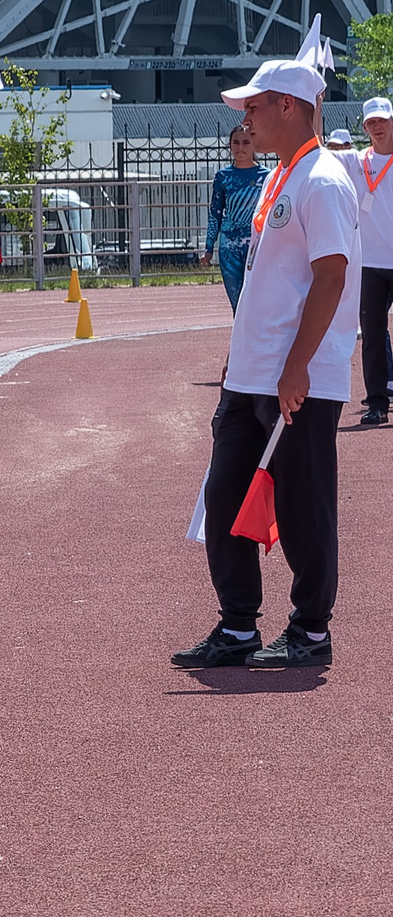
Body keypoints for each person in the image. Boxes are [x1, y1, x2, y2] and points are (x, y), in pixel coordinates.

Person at [173, 57, 358, 671]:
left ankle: (309, 630)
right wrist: (239, 358)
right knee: (224, 498)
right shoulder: (283, 176)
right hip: (251, 373)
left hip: (296, 378)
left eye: (254, 105)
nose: (245, 117)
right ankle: (238, 627)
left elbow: (330, 276)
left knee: (303, 504)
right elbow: (265, 281)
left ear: (288, 106)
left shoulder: (323, 179)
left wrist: (297, 366)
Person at [201, 121, 267, 309]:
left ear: (254, 143)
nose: (240, 148)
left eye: (246, 142)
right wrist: (208, 247)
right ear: (230, 146)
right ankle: (241, 338)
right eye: (236, 143)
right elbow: (215, 213)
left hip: (256, 245)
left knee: (258, 301)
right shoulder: (223, 177)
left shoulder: (267, 176)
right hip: (229, 247)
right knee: (237, 304)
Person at [356, 97, 393, 427]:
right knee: (372, 334)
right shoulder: (357, 163)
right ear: (365, 127)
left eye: (382, 120)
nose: (377, 126)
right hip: (370, 264)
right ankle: (377, 402)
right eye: (371, 122)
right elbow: (317, 148)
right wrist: (318, 105)